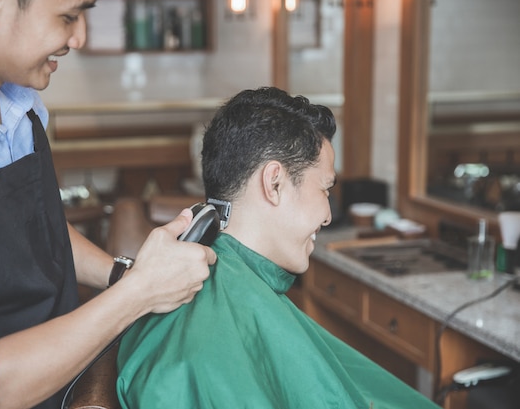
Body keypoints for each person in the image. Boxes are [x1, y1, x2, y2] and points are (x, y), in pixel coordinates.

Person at [0, 0, 216, 408]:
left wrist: (125, 274)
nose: (79, 36)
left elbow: (30, 225)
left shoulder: (13, 96)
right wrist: (138, 293)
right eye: (68, 16)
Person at [116, 87, 441, 408]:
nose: (328, 216)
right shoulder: (199, 350)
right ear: (274, 183)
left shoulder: (213, 297)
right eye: (326, 189)